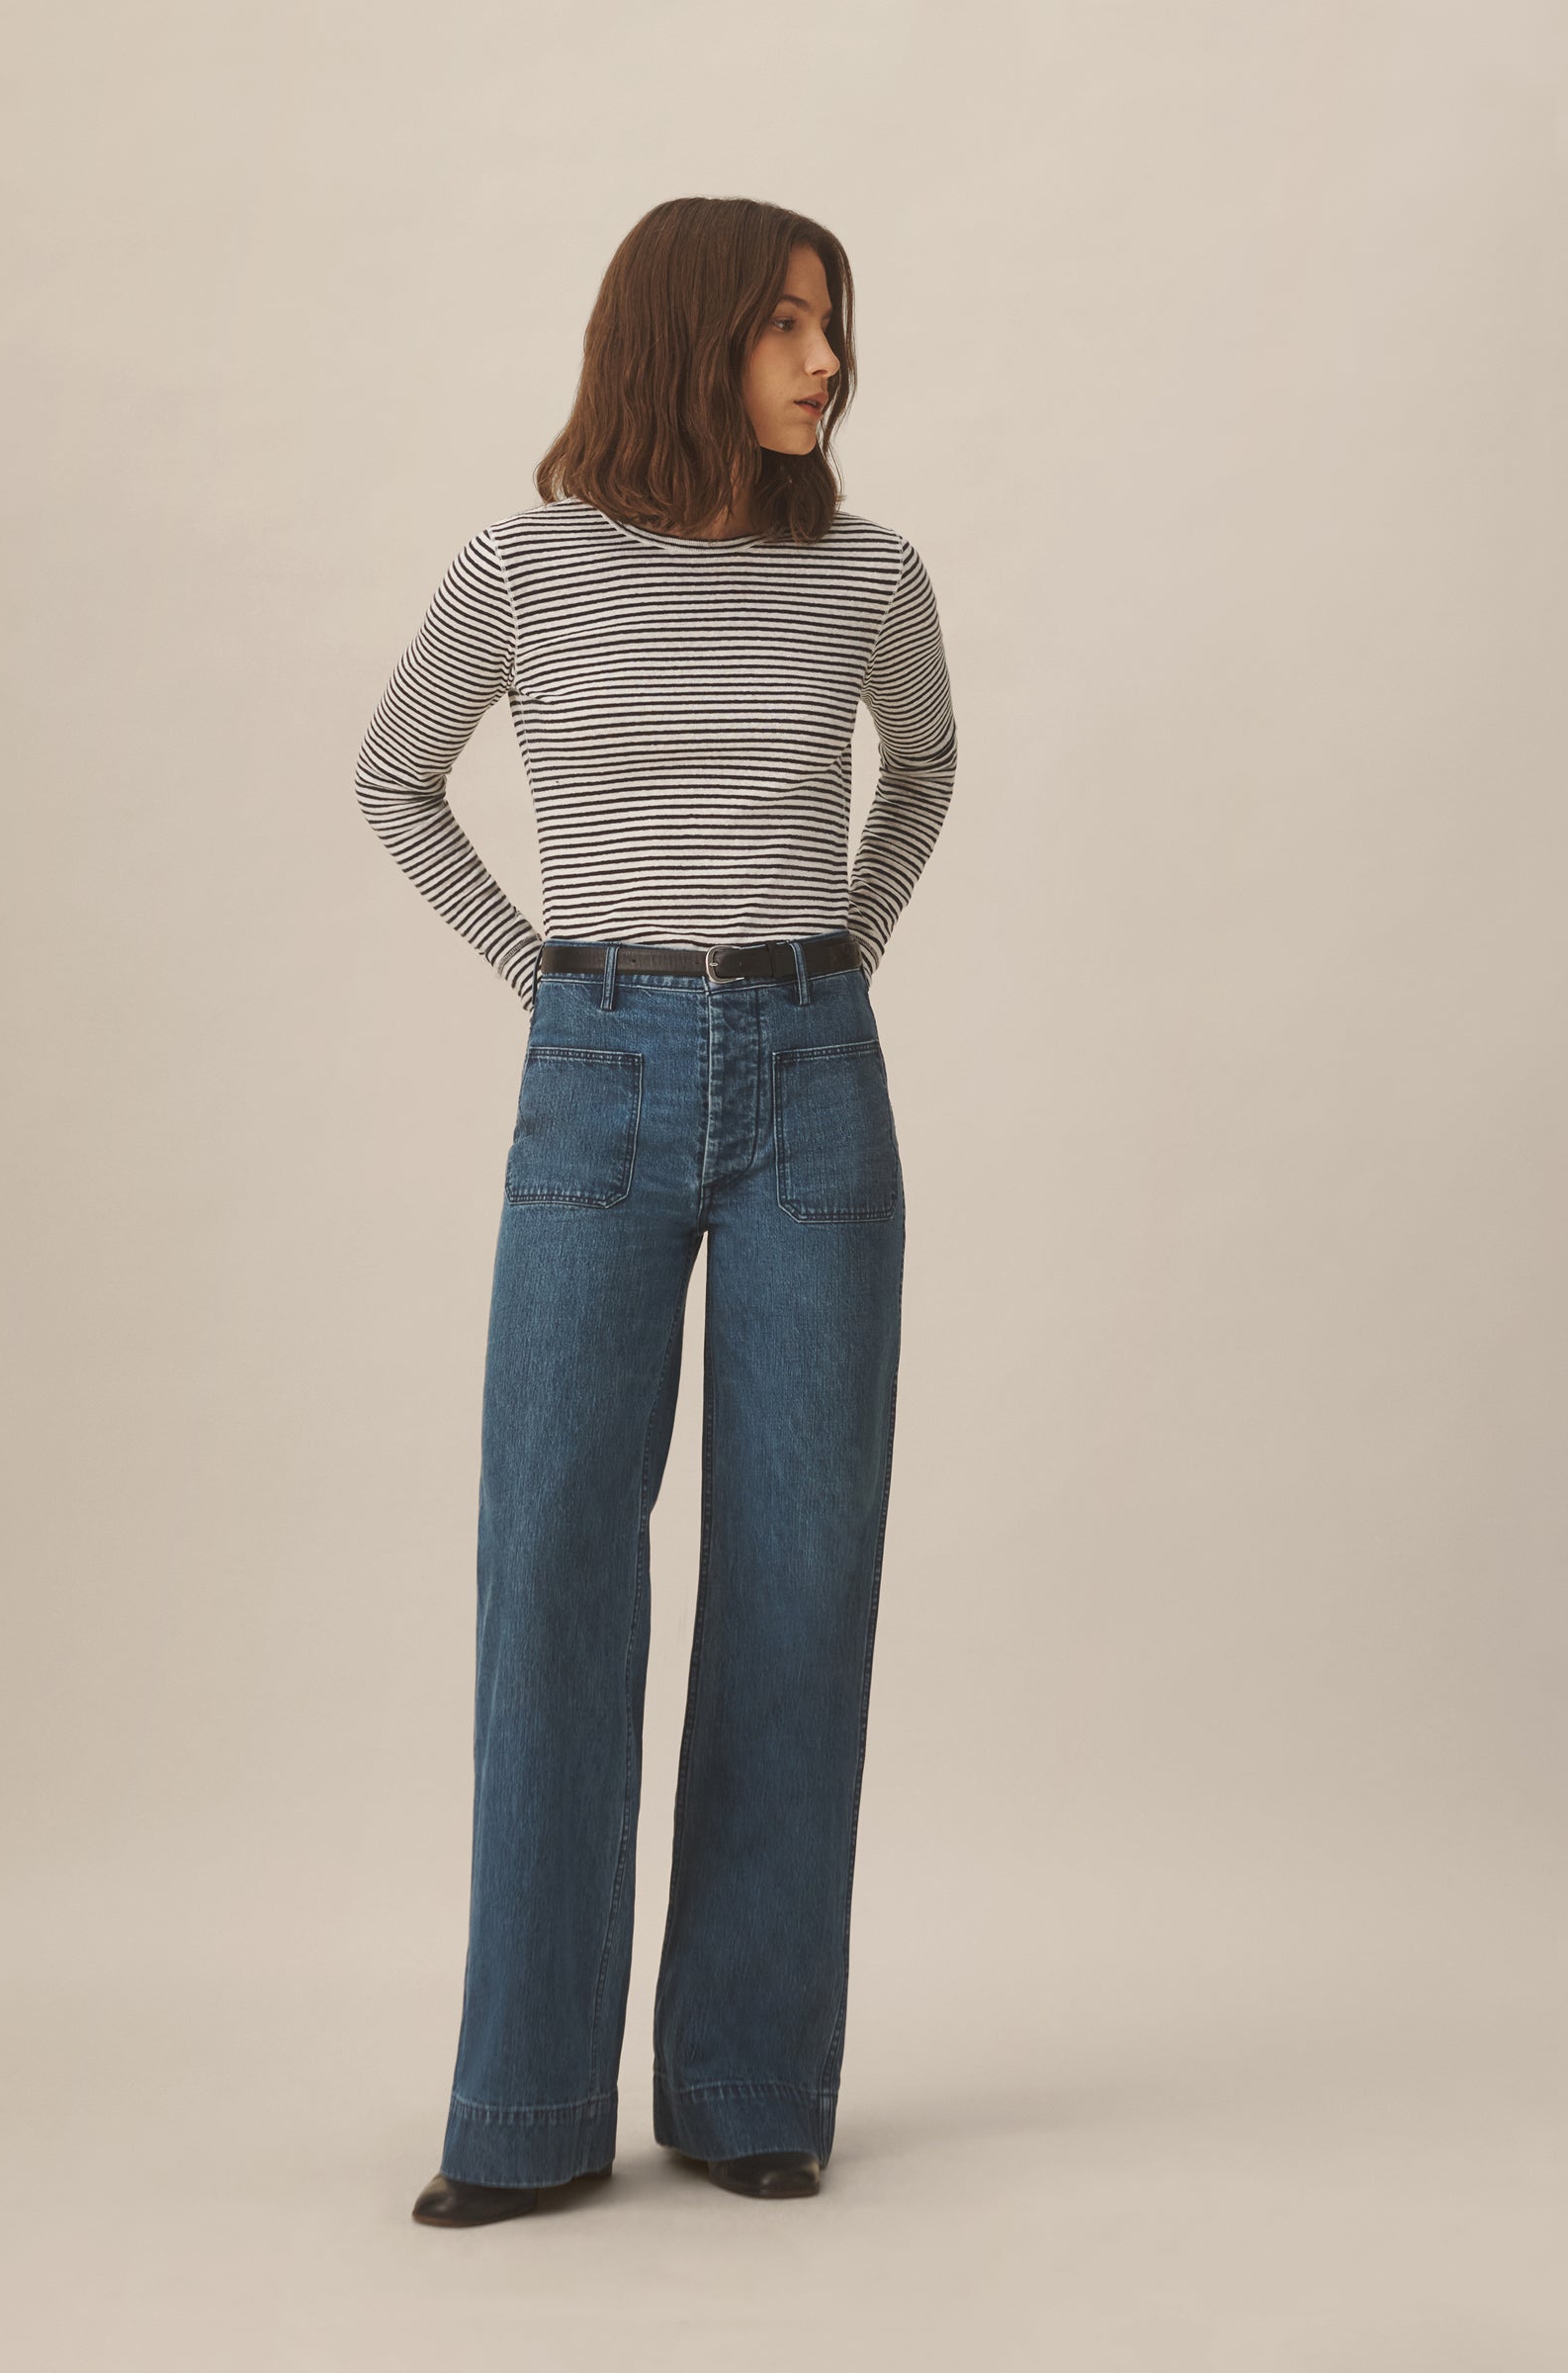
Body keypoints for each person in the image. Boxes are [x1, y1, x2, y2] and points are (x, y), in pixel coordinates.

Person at [353, 196, 958, 2226]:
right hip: (595, 1071)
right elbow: (393, 775)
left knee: (800, 1574)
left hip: (814, 1085)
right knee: (552, 1574)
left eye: (833, 324)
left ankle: (750, 2089)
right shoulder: (523, 569)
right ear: (685, 336)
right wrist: (544, 978)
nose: (827, 361)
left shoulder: (869, 576)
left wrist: (842, 953)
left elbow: (926, 769)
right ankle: (525, 2116)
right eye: (788, 324)